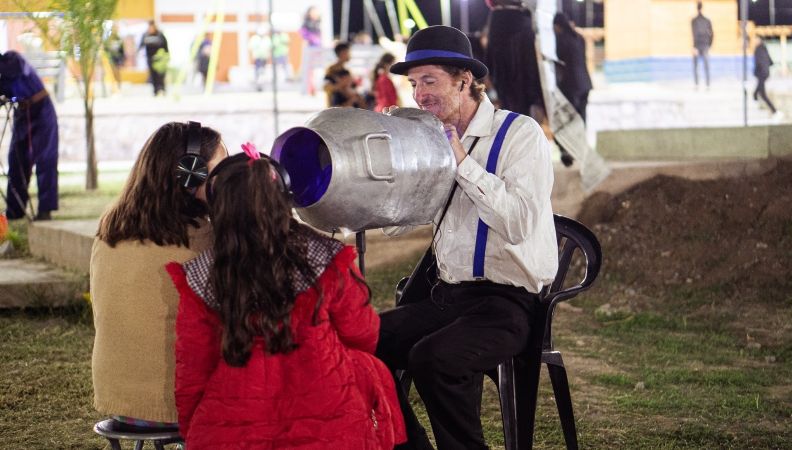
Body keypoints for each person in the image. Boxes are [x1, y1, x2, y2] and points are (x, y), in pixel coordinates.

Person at [377, 25, 558, 450]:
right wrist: (389, 172)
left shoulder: (520, 134)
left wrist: (462, 162)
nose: (419, 95)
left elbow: (518, 223)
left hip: (506, 303)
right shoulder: (430, 139)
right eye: (414, 84)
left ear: (463, 81)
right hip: (447, 297)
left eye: (430, 81)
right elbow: (397, 225)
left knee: (433, 359)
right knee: (361, 343)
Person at [165, 150, 407, 448]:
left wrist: (195, 429)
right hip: (331, 422)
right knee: (372, 370)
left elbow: (193, 368)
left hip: (231, 428)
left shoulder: (203, 277)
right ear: (284, 197)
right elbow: (363, 334)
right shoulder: (327, 259)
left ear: (219, 209)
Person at [91, 122, 228, 429]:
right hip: (175, 406)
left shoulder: (108, 230)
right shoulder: (203, 238)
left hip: (119, 400)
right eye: (220, 169)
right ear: (190, 175)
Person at [0, 50, 59, 221]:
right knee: (16, 161)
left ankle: (45, 210)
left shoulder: (13, 59)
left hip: (41, 111)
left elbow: (13, 73)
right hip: (22, 114)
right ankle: (14, 211)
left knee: (45, 161)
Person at [485, 0, 544, 120]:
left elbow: (490, 60)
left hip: (505, 86)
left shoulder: (497, 20)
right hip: (525, 88)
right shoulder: (525, 21)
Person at [553, 12, 593, 124]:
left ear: (557, 25)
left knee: (573, 118)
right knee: (582, 116)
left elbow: (561, 59)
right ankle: (583, 139)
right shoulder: (579, 38)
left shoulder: (562, 39)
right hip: (585, 83)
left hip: (572, 85)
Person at [753, 36, 780, 119]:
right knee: (760, 92)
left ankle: (775, 111)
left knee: (762, 93)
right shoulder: (763, 48)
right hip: (764, 73)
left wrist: (759, 71)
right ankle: (755, 98)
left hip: (762, 73)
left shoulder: (759, 49)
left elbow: (760, 62)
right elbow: (770, 61)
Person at [139, 20, 169, 96]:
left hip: (159, 59)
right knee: (153, 75)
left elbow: (165, 46)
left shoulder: (159, 34)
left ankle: (161, 89)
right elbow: (141, 45)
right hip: (150, 58)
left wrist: (166, 56)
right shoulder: (145, 35)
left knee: (160, 75)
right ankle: (155, 90)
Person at [299, 6, 322, 95]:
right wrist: (313, 39)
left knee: (316, 70)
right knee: (309, 71)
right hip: (310, 49)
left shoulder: (317, 23)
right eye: (314, 12)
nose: (316, 14)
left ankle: (314, 88)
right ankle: (311, 89)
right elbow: (303, 34)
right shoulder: (306, 24)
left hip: (318, 49)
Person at [691, 1, 713, 88]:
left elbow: (694, 34)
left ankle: (704, 84)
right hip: (702, 45)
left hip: (702, 45)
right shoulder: (695, 20)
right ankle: (700, 84)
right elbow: (694, 34)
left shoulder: (703, 20)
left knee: (702, 66)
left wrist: (695, 46)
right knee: (701, 66)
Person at [324, 42, 352, 106]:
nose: (350, 55)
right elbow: (326, 87)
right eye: (348, 52)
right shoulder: (331, 70)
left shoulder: (346, 71)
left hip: (347, 106)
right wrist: (341, 84)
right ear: (342, 53)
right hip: (336, 107)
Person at [105, 24, 126, 92]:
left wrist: (123, 59)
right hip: (111, 57)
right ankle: (114, 87)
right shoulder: (109, 39)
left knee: (117, 72)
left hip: (118, 58)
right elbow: (106, 48)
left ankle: (118, 86)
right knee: (113, 72)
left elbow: (122, 50)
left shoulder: (119, 38)